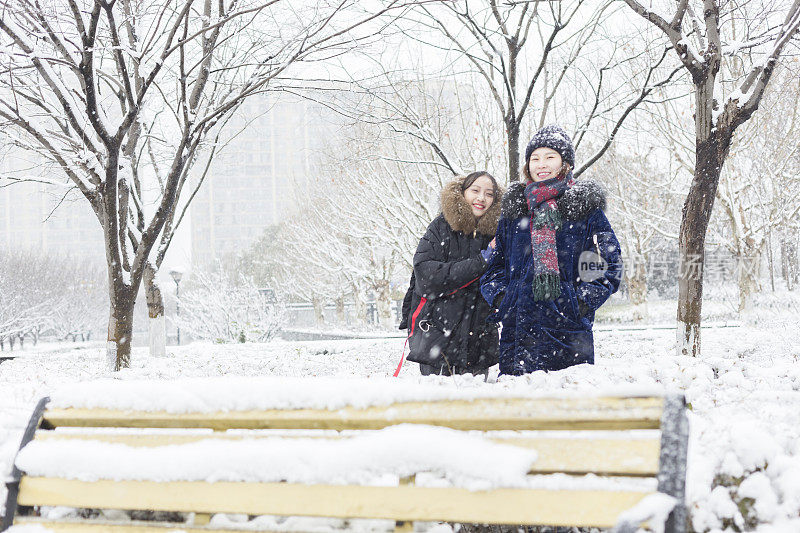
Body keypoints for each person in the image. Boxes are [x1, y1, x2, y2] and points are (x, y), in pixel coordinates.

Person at [481, 125, 622, 375]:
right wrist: (505, 299)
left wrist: (579, 302)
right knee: (519, 409)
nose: (541, 164)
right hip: (518, 333)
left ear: (564, 163)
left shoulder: (585, 207)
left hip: (567, 332)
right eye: (534, 158)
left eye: (549, 157)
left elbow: (609, 264)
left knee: (567, 408)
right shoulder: (514, 210)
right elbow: (494, 265)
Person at [399, 172, 504, 376]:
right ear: (462, 193)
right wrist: (481, 261)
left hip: (479, 344)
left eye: (489, 194)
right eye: (475, 190)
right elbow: (427, 275)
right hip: (438, 338)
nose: (481, 198)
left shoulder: (497, 234)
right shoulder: (440, 228)